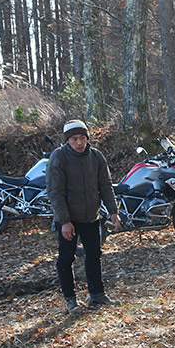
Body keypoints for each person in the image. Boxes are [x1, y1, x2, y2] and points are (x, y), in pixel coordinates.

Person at [46, 120, 121, 314]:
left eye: (82, 138)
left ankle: (96, 295)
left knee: (94, 255)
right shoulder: (59, 157)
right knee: (66, 258)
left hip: (91, 217)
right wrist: (64, 221)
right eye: (74, 139)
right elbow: (55, 192)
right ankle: (71, 300)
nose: (79, 143)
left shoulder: (96, 157)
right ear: (67, 141)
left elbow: (105, 185)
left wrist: (113, 211)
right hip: (68, 219)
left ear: (87, 138)